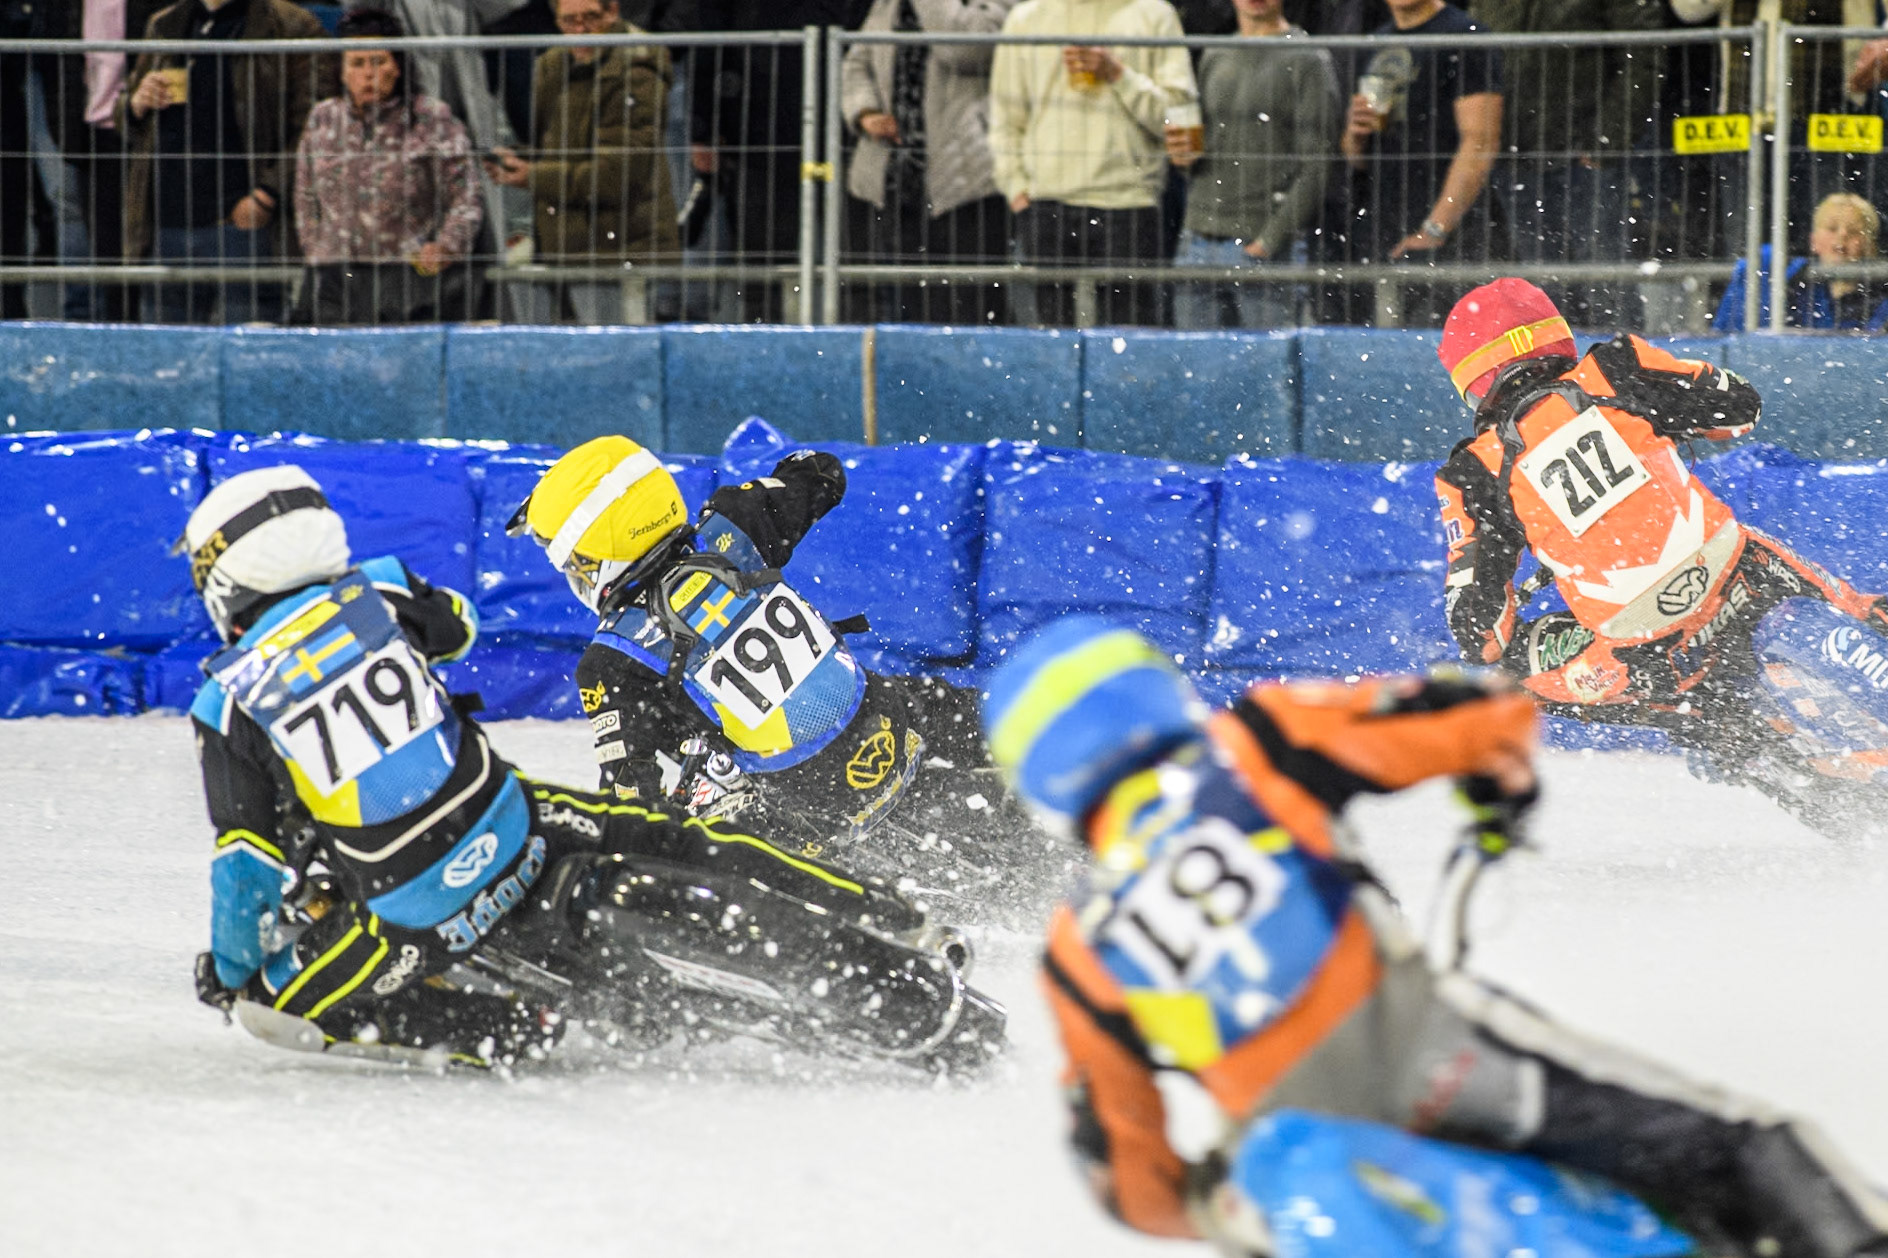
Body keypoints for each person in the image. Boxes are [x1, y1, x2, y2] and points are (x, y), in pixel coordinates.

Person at [982, 613, 1888, 1255]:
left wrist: (1225, 1203)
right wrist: (1499, 791)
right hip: (1446, 1064)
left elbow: (1131, 1186)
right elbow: (1478, 712)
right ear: (1156, 693)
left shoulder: (1078, 950)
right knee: (1742, 1144)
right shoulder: (1252, 748)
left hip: (1310, 1170)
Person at [184, 464, 928, 1064]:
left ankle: (505, 1030)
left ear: (225, 574)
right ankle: (889, 911)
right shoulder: (376, 589)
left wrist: (229, 968)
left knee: (269, 1004)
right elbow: (453, 627)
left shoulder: (227, 697)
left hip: (412, 911)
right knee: (676, 837)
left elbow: (245, 865)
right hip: (516, 821)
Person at [506, 436, 998, 875]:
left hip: (811, 814)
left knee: (676, 840)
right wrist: (776, 482)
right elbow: (823, 472)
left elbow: (630, 798)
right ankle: (1055, 736)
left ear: (599, 554)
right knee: (996, 713)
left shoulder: (611, 658)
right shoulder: (732, 525)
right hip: (894, 720)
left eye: (576, 566)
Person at [1434, 277, 1888, 730]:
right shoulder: (1614, 367)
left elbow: (1481, 635)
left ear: (1474, 382)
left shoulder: (1471, 472)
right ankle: (1865, 612)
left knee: (1507, 674)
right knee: (1775, 558)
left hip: (1641, 650)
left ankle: (1715, 729)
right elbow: (1741, 407)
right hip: (1735, 571)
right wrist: (1671, 415)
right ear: (1554, 335)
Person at [120, 0, 336, 324]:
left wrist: (267, 193)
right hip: (168, 222)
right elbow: (126, 120)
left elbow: (316, 126)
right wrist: (135, 105)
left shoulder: (291, 26)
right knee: (168, 360)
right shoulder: (165, 23)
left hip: (244, 223)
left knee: (252, 355)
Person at [987, 0, 1199, 326]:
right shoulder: (1026, 19)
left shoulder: (1155, 15)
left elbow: (1178, 119)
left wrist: (1117, 74)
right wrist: (1016, 189)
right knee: (1053, 341)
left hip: (1129, 202)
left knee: (1129, 340)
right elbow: (1004, 118)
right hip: (1045, 203)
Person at [1465, 0, 1662, 331]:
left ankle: (1624, 369)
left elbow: (1644, 55)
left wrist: (1608, 138)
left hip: (1584, 152)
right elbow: (1474, 57)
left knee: (1605, 277)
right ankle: (1554, 369)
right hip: (1515, 154)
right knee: (1543, 284)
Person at [483, 0, 679, 324]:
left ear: (613, 11)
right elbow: (553, 147)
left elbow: (618, 174)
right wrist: (516, 159)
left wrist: (532, 176)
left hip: (621, 248)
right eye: (569, 21)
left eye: (591, 18)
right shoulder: (552, 63)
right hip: (565, 243)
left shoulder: (638, 69)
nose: (581, 30)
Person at [293, 8, 483, 324]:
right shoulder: (323, 118)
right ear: (341, 71)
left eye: (378, 62)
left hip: (407, 274)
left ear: (397, 66)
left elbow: (466, 194)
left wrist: (448, 246)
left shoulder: (432, 118)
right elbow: (304, 193)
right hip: (334, 274)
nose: (368, 74)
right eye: (357, 63)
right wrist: (315, 250)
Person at [841, 0, 1019, 326]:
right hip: (898, 178)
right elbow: (856, 62)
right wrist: (865, 112)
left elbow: (968, 50)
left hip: (967, 176)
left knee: (972, 305)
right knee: (909, 307)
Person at [1167, 0, 1338, 329]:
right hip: (1199, 236)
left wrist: (1270, 240)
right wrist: (1182, 159)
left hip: (1263, 241)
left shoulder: (1309, 59)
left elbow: (1318, 165)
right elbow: (1204, 147)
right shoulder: (1216, 53)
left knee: (1268, 369)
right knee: (1197, 367)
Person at [1338, 0, 1501, 326]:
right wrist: (1355, 135)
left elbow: (1480, 141)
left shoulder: (1465, 35)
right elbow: (1356, 159)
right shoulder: (1377, 40)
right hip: (1384, 223)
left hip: (1450, 232)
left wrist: (1435, 227)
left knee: (1447, 343)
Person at [1713, 192, 1888, 333]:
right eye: (1832, 228)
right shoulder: (1791, 287)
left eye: (1853, 230)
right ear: (1813, 241)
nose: (1842, 235)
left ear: (1871, 246)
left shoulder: (1880, 305)